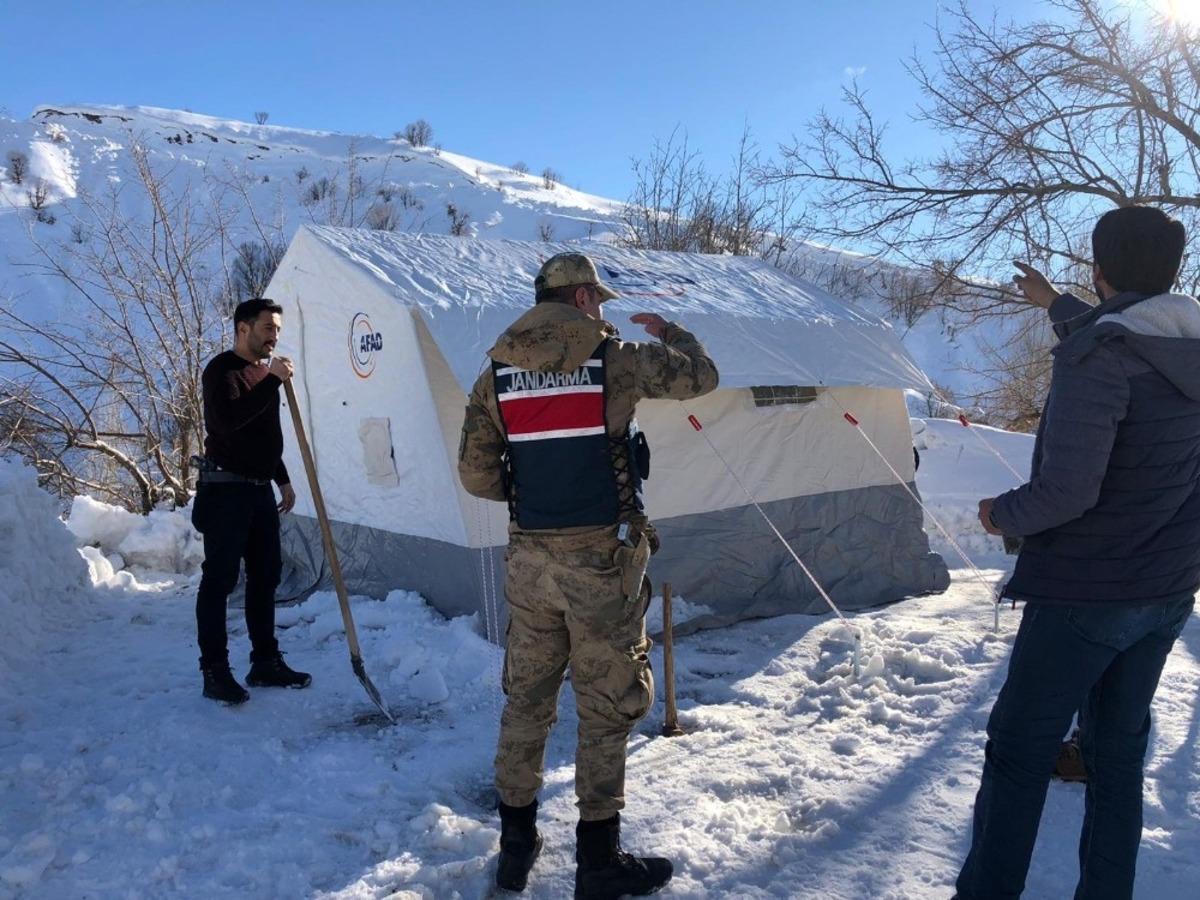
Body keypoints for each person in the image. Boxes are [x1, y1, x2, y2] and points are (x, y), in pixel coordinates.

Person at [458, 253, 719, 897]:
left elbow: (476, 474)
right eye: (596, 299)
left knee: (527, 698)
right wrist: (673, 334)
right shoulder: (620, 358)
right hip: (600, 558)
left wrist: (535, 492)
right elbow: (702, 378)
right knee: (606, 704)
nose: (600, 309)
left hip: (530, 559)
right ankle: (598, 859)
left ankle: (515, 845)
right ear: (579, 299)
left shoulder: (496, 373)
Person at [955, 206, 1197, 899]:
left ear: (1101, 270)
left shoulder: (1102, 357)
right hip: (1167, 590)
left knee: (1018, 754)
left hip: (1087, 592)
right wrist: (1055, 304)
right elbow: (1136, 341)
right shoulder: (1185, 346)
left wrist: (1002, 514)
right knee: (1116, 759)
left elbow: (1066, 491)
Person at [193, 297, 311, 705]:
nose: (274, 336)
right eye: (267, 328)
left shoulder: (262, 373)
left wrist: (283, 480)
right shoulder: (222, 371)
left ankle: (264, 662)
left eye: (276, 329)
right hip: (225, 491)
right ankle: (215, 672)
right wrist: (274, 382)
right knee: (220, 581)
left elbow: (262, 434)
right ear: (244, 328)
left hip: (259, 490)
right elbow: (227, 423)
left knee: (266, 577)